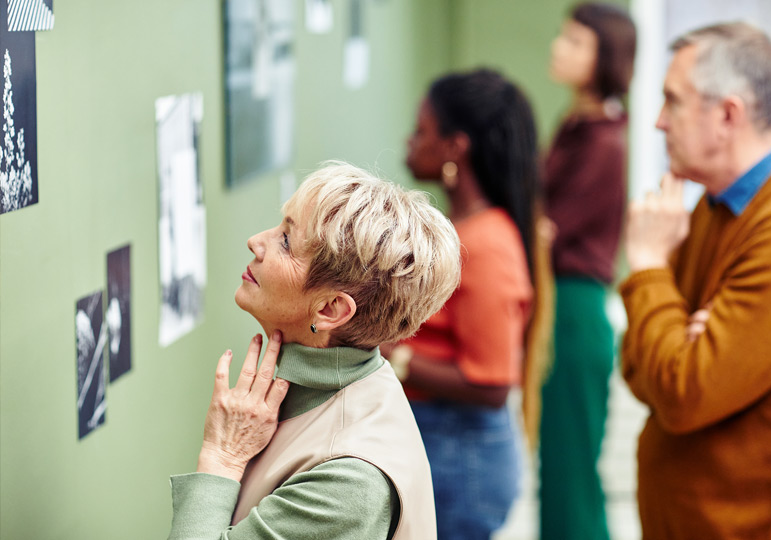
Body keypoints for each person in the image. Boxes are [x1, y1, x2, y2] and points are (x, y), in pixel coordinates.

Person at [166, 163, 462, 540]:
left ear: (330, 309)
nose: (256, 241)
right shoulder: (348, 382)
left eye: (286, 242)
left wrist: (221, 456)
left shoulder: (350, 484)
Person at [621, 22, 771, 539]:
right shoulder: (713, 210)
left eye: (673, 102)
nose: (657, 123)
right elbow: (637, 366)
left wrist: (649, 265)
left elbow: (683, 392)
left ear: (727, 115)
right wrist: (677, 338)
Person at [386, 68, 540, 540]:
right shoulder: (461, 229)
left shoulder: (487, 244)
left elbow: (492, 383)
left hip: (461, 457)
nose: (410, 142)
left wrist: (394, 356)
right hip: (442, 443)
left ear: (456, 147)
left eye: (421, 131)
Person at [538, 4, 635, 540]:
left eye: (575, 43)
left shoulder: (604, 141)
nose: (559, 48)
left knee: (573, 476)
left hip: (577, 309)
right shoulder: (577, 126)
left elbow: (548, 231)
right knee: (558, 472)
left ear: (604, 59)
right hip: (562, 305)